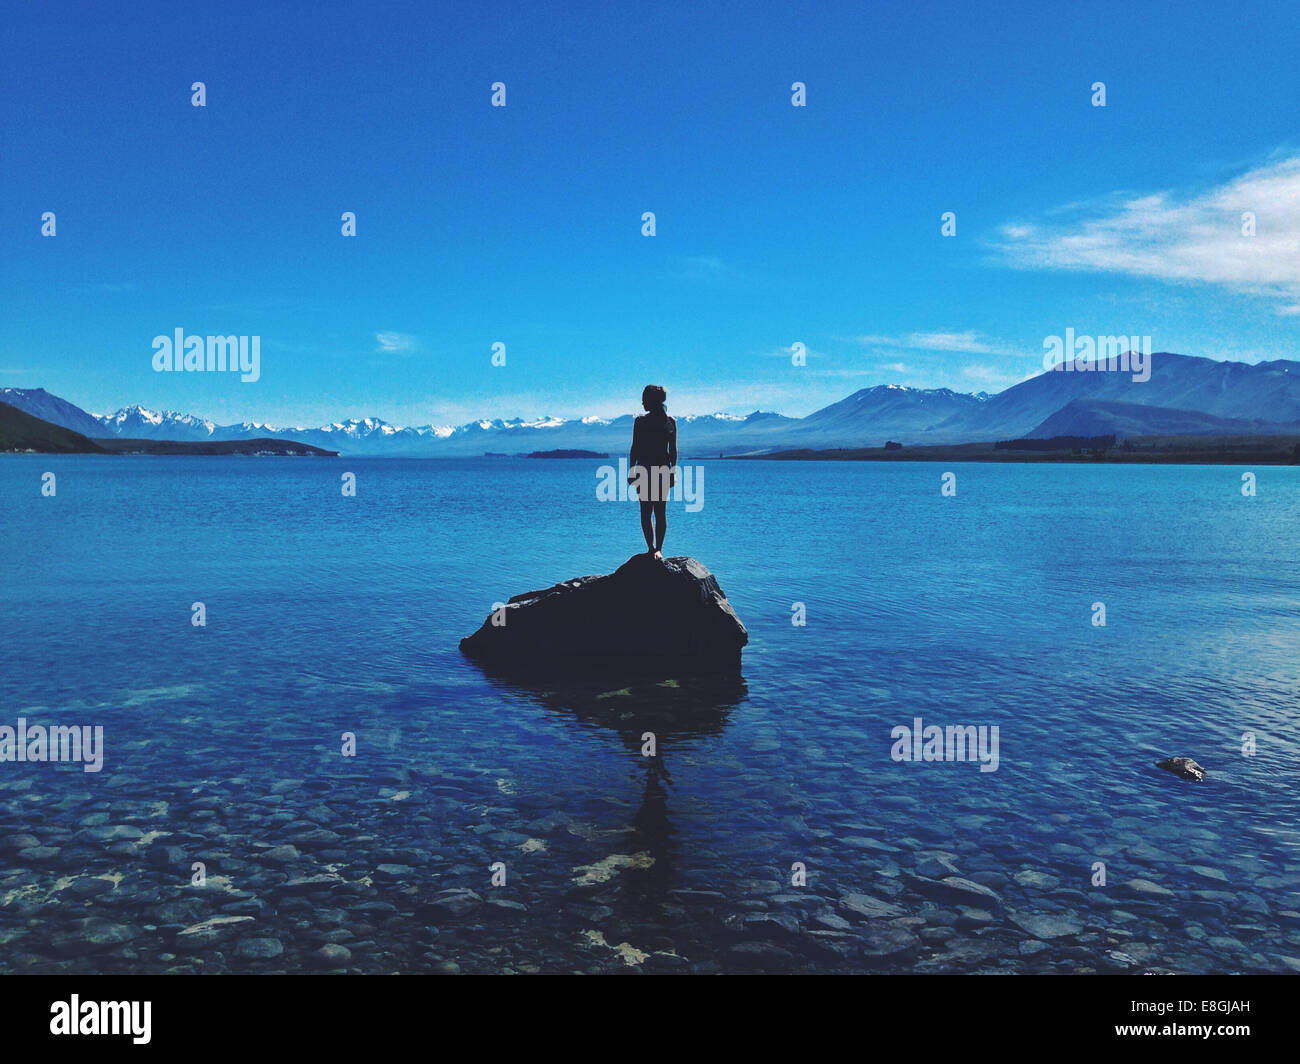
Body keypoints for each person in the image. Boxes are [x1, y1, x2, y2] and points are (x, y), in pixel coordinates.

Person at [628, 384, 677, 560]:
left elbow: (673, 450)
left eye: (644, 399)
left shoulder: (669, 422)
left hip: (660, 470)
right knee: (647, 511)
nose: (642, 402)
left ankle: (658, 549)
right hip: (645, 470)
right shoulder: (640, 422)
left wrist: (673, 472)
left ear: (652, 401)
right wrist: (632, 470)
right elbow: (634, 448)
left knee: (658, 511)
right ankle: (652, 548)